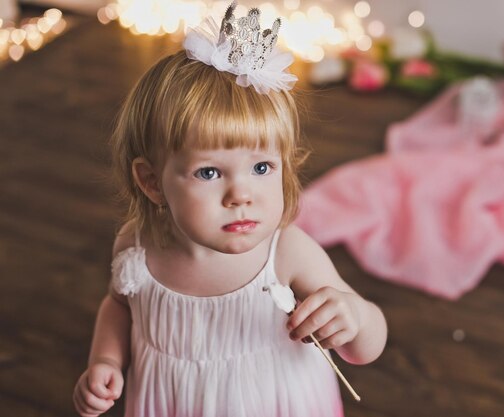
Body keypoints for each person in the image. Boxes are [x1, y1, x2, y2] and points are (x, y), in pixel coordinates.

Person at [73, 3, 387, 416]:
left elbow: (366, 347)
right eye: (208, 173)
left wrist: (355, 318)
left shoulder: (288, 253)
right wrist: (107, 361)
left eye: (261, 167)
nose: (241, 194)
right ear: (152, 181)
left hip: (274, 402)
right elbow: (118, 304)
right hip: (173, 402)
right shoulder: (138, 246)